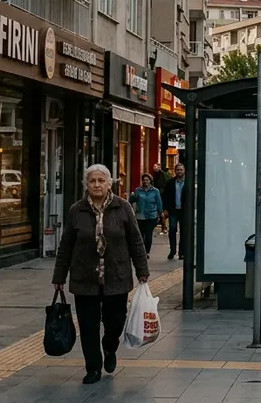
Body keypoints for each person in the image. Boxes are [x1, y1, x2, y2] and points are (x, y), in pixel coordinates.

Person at [52, 164, 149, 385]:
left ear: (109, 184)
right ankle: (93, 368)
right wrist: (59, 277)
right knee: (88, 326)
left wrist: (142, 270)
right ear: (86, 184)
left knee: (115, 322)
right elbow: (66, 245)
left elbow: (135, 241)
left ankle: (109, 346)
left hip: (117, 277)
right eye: (92, 181)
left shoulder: (123, 207)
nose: (97, 184)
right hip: (84, 279)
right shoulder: (77, 210)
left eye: (101, 181)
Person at [131, 173, 163, 256]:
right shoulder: (138, 190)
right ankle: (141, 251)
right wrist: (132, 196)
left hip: (151, 216)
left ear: (150, 181)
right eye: (144, 180)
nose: (145, 182)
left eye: (147, 180)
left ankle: (147, 252)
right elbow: (132, 201)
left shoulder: (155, 191)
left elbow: (159, 203)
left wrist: (161, 213)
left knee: (148, 234)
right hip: (140, 216)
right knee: (141, 235)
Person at [159, 164, 185, 260]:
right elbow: (165, 196)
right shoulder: (170, 183)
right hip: (173, 211)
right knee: (172, 230)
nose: (179, 172)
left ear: (184, 171)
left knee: (184, 232)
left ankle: (182, 252)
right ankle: (172, 251)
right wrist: (165, 209)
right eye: (178, 170)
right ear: (175, 171)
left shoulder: (187, 183)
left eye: (181, 170)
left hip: (184, 211)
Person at [151, 162, 172, 234]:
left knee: (162, 211)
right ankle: (163, 226)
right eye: (154, 166)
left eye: (155, 166)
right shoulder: (155, 175)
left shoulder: (161, 174)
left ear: (159, 167)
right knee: (160, 211)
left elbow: (161, 184)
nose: (154, 168)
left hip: (161, 195)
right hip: (159, 194)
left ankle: (164, 227)